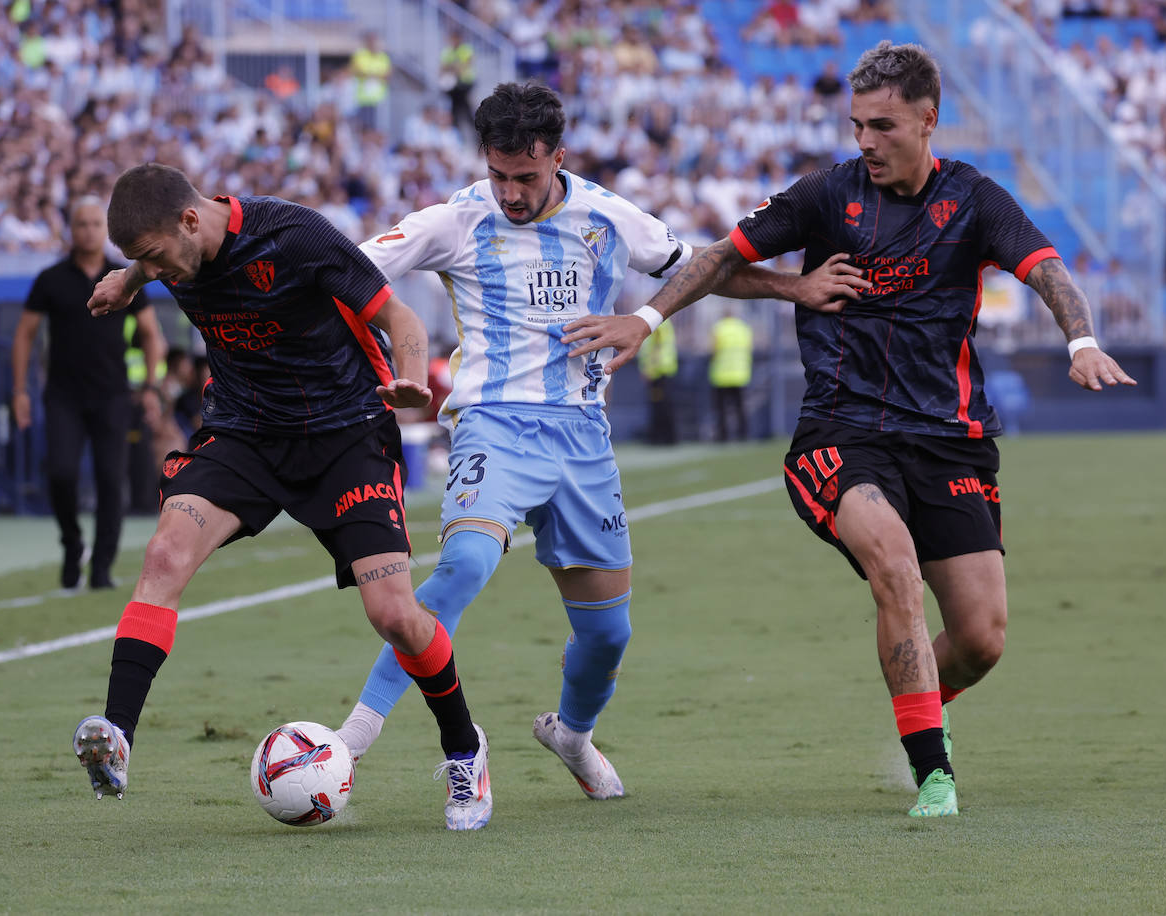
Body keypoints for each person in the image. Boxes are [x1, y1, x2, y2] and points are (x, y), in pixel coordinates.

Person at [562, 41, 1136, 818]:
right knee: (894, 566)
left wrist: (1082, 340)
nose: (865, 140)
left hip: (950, 436)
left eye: (884, 125)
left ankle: (921, 709)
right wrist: (650, 316)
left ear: (929, 121)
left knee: (982, 639)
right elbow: (717, 259)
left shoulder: (976, 200)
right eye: (858, 124)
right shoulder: (826, 195)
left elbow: (1047, 269)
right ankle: (933, 775)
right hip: (841, 431)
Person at [335, 82, 854, 799]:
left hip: (582, 439)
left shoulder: (609, 217)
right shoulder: (453, 221)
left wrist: (793, 289)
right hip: (494, 425)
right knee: (461, 567)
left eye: (526, 176)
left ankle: (571, 735)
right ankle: (350, 743)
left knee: (609, 636)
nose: (511, 193)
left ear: (559, 157)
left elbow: (701, 269)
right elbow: (342, 269)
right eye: (498, 175)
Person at [72, 163, 491, 831]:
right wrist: (128, 276)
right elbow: (159, 261)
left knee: (396, 616)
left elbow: (401, 316)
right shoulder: (173, 252)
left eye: (152, 258)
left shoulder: (295, 236)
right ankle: (117, 735)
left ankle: (465, 749)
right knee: (165, 554)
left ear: (190, 220)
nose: (158, 272)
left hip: (346, 435)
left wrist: (413, 380)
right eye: (144, 263)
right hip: (244, 436)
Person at [13, 196, 167, 590]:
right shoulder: (50, 279)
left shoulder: (125, 278)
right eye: (81, 224)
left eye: (96, 224)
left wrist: (149, 387)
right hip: (63, 395)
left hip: (113, 396)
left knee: (110, 480)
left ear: (107, 230)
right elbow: (25, 335)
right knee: (62, 473)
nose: (88, 231)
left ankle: (101, 567)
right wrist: (19, 391)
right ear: (71, 229)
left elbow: (153, 337)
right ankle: (72, 543)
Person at [708, 307, 753, 442]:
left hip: (721, 374)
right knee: (740, 407)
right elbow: (749, 349)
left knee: (721, 408)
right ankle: (743, 434)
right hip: (740, 373)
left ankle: (723, 436)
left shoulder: (719, 328)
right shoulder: (743, 328)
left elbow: (714, 349)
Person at [637, 316, 678, 445]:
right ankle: (666, 437)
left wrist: (649, 370)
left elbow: (656, 348)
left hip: (658, 372)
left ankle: (660, 437)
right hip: (664, 370)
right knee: (663, 405)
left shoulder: (658, 325)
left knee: (659, 406)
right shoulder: (665, 324)